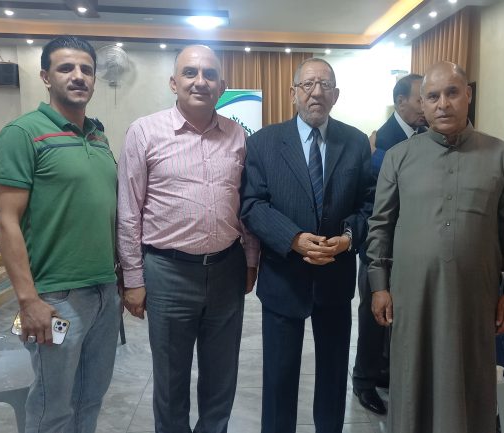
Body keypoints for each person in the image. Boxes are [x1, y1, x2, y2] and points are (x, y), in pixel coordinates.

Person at [366, 61, 504, 433]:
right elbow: (380, 226)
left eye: (452, 93)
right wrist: (379, 286)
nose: (443, 104)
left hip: (476, 299)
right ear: (422, 105)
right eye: (432, 96)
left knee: (470, 380)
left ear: (468, 95)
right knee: (412, 378)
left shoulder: (502, 156)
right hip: (412, 297)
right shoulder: (399, 157)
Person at [116, 45, 259, 433]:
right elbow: (128, 212)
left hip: (227, 270)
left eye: (210, 74)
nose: (200, 81)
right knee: (170, 380)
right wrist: (133, 279)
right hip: (167, 273)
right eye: (190, 73)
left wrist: (250, 260)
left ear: (222, 86)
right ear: (173, 82)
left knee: (221, 378)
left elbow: (245, 204)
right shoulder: (144, 132)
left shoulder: (237, 136)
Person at [0, 35, 120, 433]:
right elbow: (6, 221)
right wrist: (28, 300)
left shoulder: (98, 136)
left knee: (91, 399)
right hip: (56, 299)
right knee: (52, 407)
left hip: (104, 292)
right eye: (66, 68)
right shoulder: (22, 133)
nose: (78, 76)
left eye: (86, 69)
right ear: (46, 76)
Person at [241, 57, 374, 433]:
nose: (317, 92)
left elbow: (368, 204)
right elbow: (252, 205)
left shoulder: (355, 142)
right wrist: (293, 239)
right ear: (293, 93)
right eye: (308, 85)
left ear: (336, 94)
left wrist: (348, 239)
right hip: (283, 279)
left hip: (335, 277)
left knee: (333, 377)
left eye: (325, 85)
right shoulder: (264, 142)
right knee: (279, 379)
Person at [352, 73, 427, 415]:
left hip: (411, 247)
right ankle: (364, 381)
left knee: (396, 315)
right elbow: (371, 199)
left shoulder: (423, 135)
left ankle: (384, 368)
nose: (426, 106)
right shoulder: (381, 141)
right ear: (400, 102)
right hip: (379, 246)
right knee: (373, 315)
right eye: (421, 98)